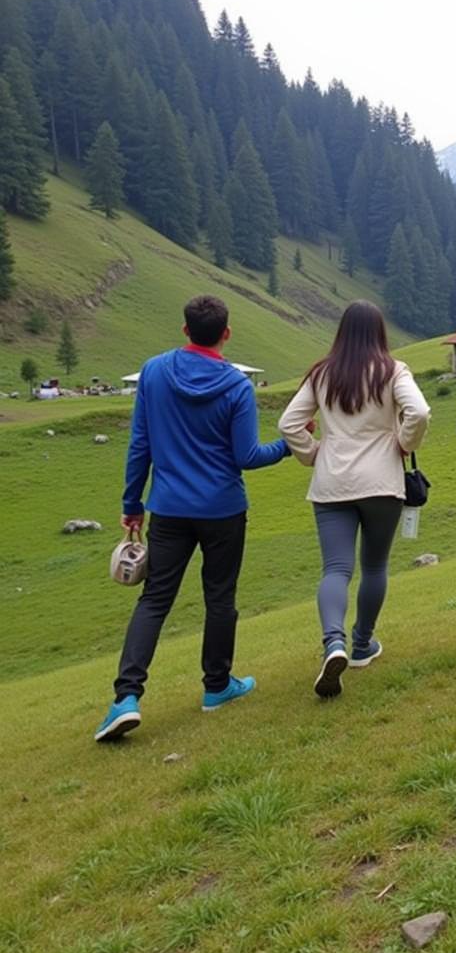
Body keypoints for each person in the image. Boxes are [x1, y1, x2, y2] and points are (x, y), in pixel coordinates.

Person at [95, 295, 292, 742]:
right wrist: (287, 445)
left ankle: (126, 697)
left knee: (154, 600)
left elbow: (139, 444)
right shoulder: (237, 386)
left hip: (167, 508)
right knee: (219, 597)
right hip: (223, 509)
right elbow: (247, 456)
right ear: (226, 334)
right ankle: (217, 687)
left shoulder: (154, 371)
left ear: (185, 330)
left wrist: (132, 504)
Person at [278, 301, 430, 699]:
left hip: (332, 484)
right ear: (380, 331)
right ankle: (362, 644)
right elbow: (420, 411)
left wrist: (311, 453)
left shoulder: (322, 373)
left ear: (341, 331)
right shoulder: (393, 370)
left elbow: (288, 423)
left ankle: (334, 643)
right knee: (374, 565)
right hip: (382, 482)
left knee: (336, 569)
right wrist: (401, 442)